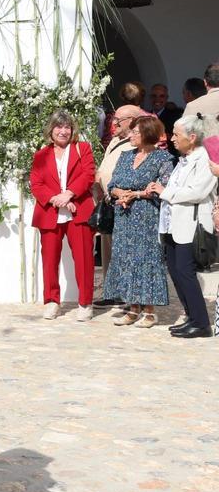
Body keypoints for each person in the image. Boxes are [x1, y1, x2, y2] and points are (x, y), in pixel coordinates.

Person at [148, 112, 217, 338]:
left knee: (186, 272)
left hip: (190, 224)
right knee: (176, 271)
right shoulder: (183, 159)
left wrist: (164, 191)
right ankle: (191, 316)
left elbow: (197, 191)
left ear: (193, 137)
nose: (172, 139)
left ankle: (201, 322)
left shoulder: (204, 159)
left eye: (177, 135)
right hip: (172, 224)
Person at [101, 115, 174, 328]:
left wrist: (136, 195)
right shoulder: (125, 156)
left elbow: (162, 188)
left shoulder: (163, 159)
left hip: (147, 217)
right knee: (126, 259)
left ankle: (149, 311)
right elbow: (112, 183)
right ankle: (132, 308)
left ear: (148, 134)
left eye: (135, 132)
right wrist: (119, 193)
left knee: (147, 260)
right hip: (124, 216)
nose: (130, 135)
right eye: (131, 131)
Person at [29, 110, 97, 321]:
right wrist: (56, 199)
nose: (63, 131)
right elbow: (36, 183)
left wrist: (69, 194)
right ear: (51, 130)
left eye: (67, 127)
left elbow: (89, 174)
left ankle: (85, 303)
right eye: (59, 127)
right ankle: (51, 301)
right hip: (50, 213)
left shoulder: (82, 149)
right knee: (49, 260)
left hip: (79, 211)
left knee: (84, 259)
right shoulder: (41, 155)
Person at [93, 105, 146, 301]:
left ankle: (127, 295)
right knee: (109, 250)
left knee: (125, 250)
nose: (114, 123)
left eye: (119, 120)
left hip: (126, 203)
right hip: (108, 201)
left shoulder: (138, 141)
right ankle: (112, 291)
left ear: (132, 120)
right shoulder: (115, 140)